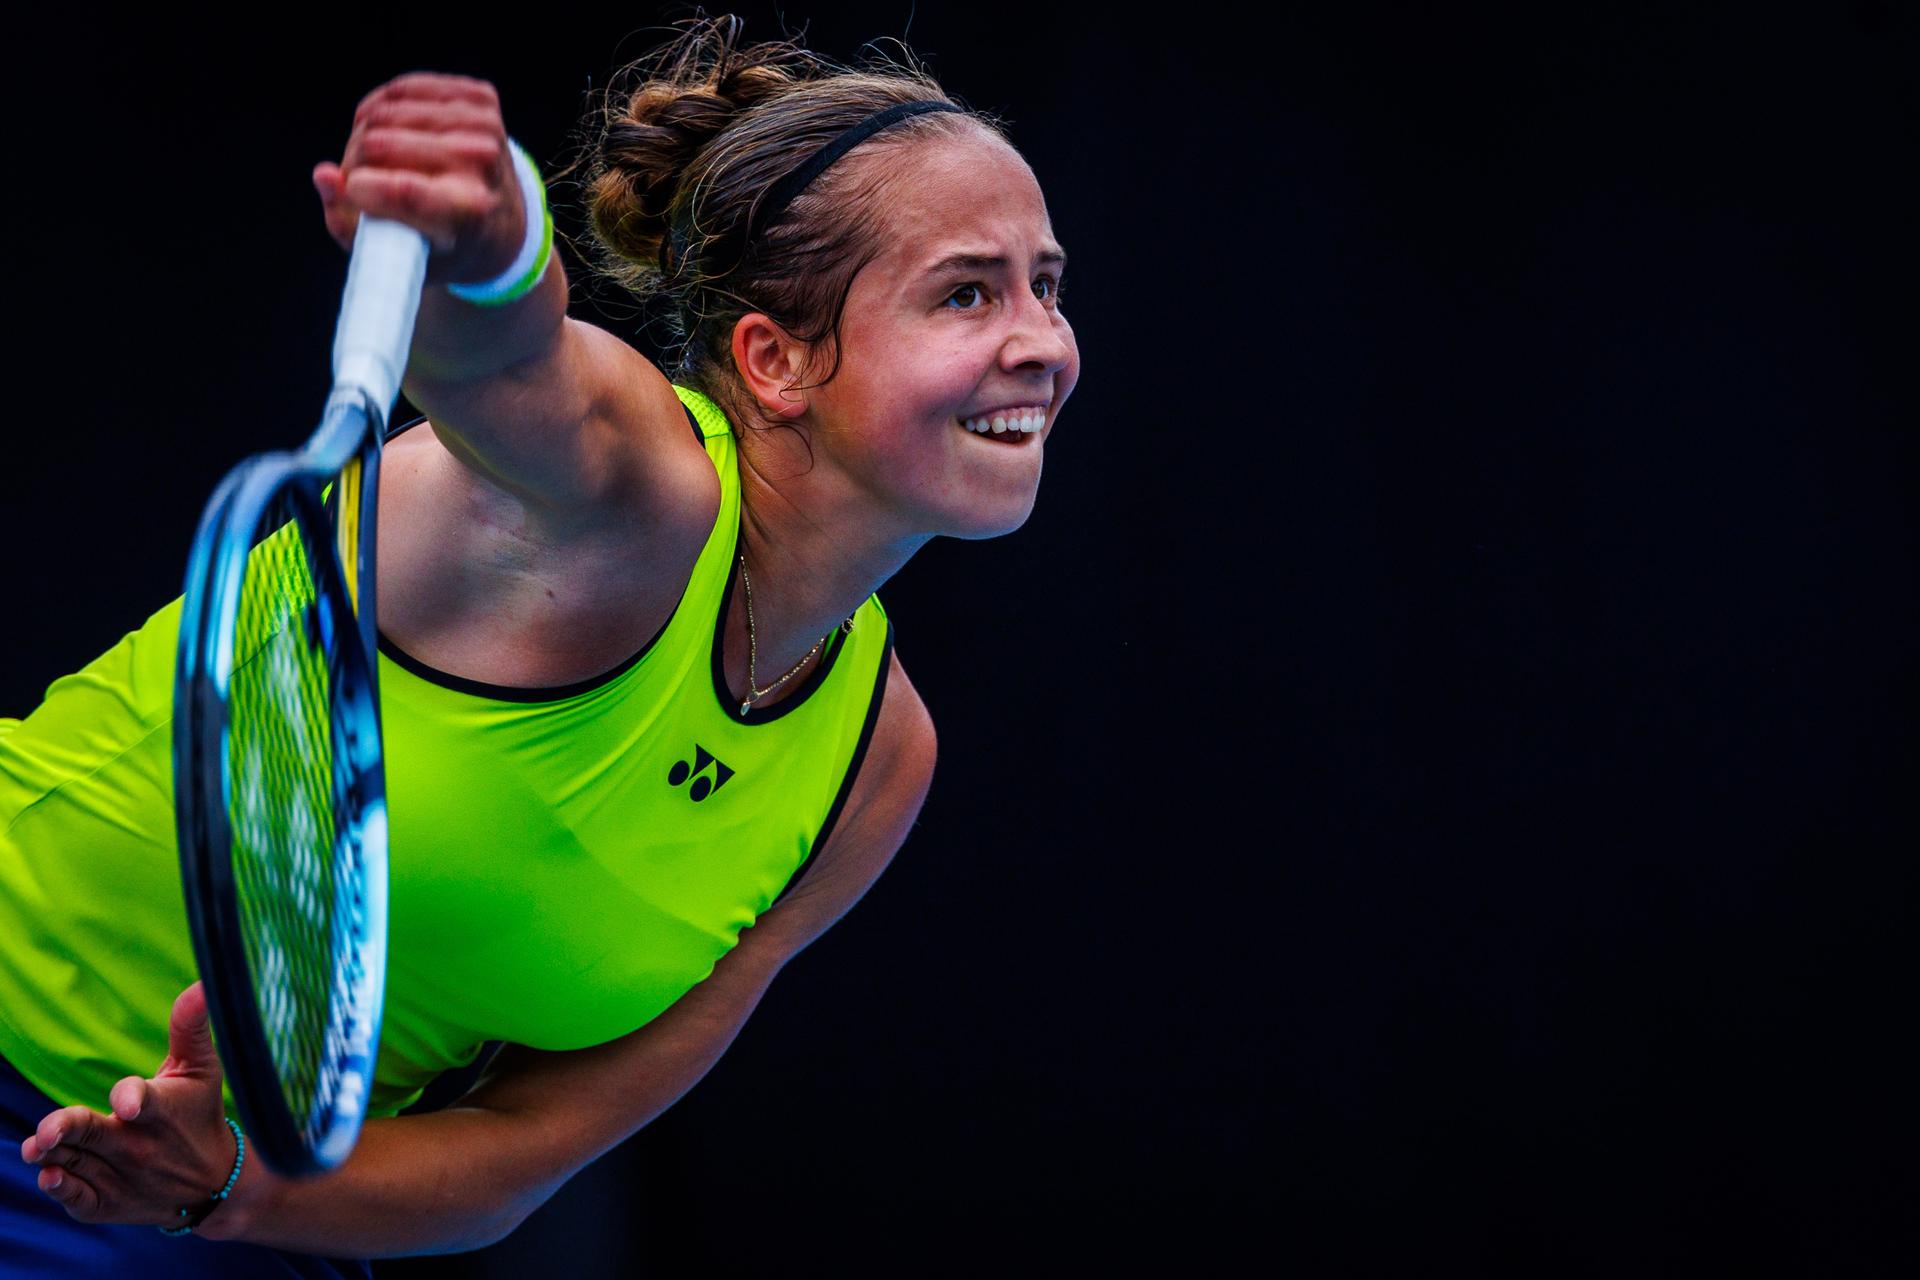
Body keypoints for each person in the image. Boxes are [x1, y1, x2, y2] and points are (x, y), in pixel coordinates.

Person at [0, 13, 1077, 1272]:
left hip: (185, 1207)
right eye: (967, 293)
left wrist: (224, 1182)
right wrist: (491, 239)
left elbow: (523, 1151)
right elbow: (499, 357)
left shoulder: (876, 762)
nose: (1044, 345)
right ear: (775, 360)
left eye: (1047, 286)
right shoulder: (632, 490)